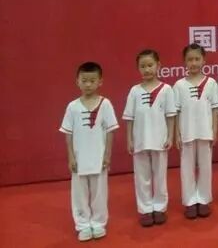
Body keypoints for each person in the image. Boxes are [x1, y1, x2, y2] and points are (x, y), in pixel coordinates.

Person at [59, 62, 119, 241]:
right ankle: (83, 225)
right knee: (79, 194)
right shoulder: (72, 107)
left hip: (99, 158)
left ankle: (98, 223)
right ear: (77, 81)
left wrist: (107, 155)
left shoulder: (105, 104)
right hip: (79, 160)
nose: (88, 84)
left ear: (100, 81)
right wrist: (71, 157)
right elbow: (68, 134)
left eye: (92, 81)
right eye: (84, 80)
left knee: (100, 193)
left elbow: (110, 131)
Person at [123, 49, 176, 227]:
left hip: (159, 140)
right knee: (142, 177)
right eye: (142, 66)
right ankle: (145, 209)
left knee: (160, 176)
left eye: (150, 65)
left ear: (158, 65)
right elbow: (129, 118)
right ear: (138, 68)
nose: (147, 69)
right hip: (140, 141)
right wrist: (129, 139)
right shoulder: (134, 91)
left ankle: (159, 207)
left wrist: (170, 136)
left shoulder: (166, 90)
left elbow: (170, 116)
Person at [173, 44, 218, 219]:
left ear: (204, 60)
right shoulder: (179, 85)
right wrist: (177, 133)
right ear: (184, 62)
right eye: (190, 59)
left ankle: (203, 199)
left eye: (197, 59)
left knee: (205, 167)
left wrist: (214, 130)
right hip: (187, 133)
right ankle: (190, 201)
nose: (193, 63)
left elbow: (215, 109)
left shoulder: (211, 83)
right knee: (187, 168)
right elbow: (176, 112)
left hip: (205, 132)